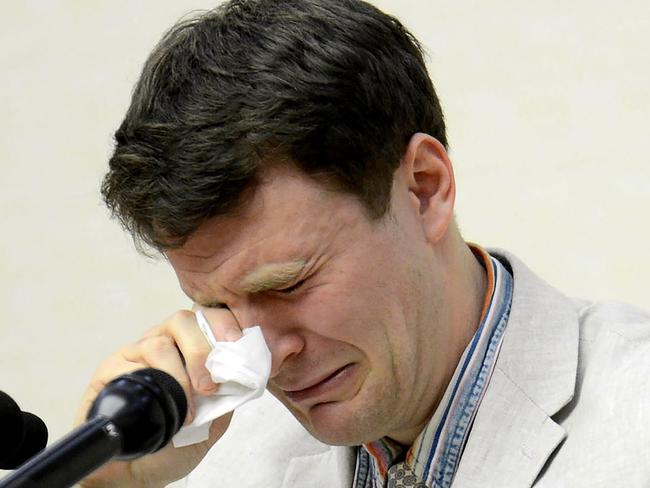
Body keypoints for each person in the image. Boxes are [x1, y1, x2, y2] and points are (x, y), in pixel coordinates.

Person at [76, 0, 650, 487]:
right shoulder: (207, 455)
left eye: (289, 283)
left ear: (424, 188)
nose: (264, 358)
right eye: (218, 307)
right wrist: (98, 479)